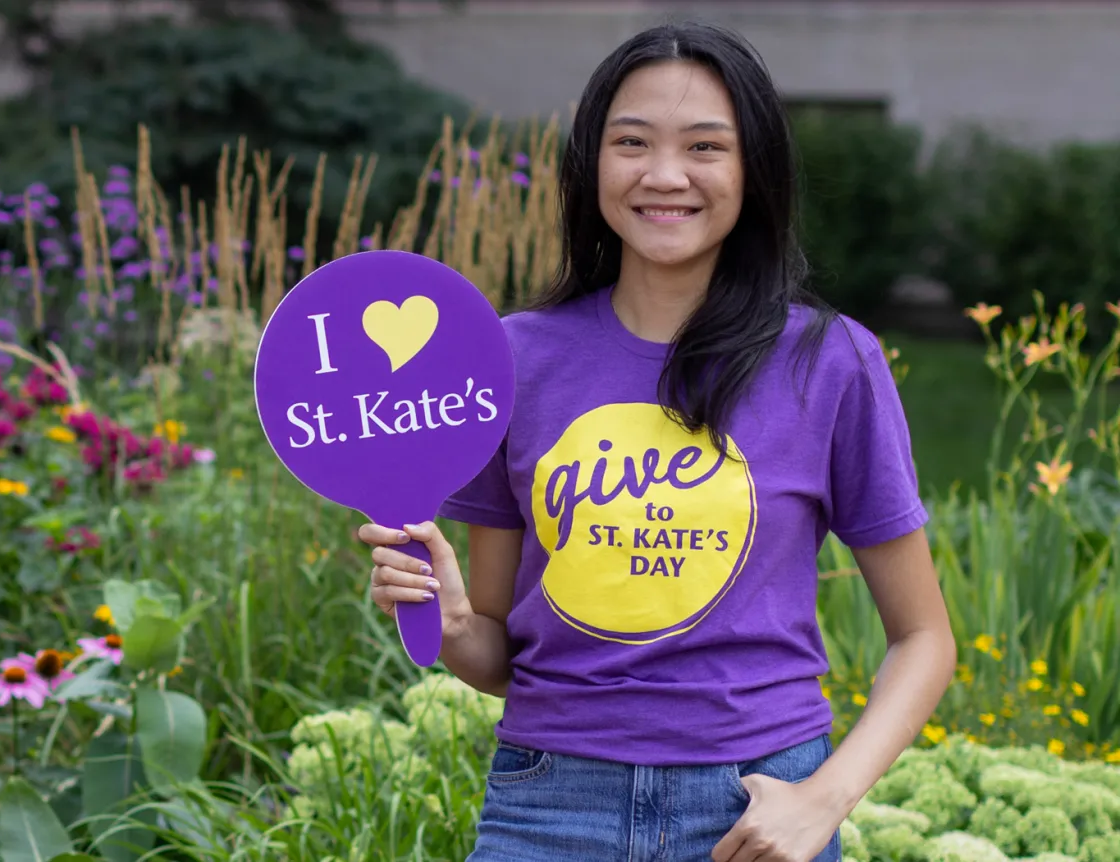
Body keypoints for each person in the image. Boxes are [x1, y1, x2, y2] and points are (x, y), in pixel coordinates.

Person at [358, 19, 957, 862]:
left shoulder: (829, 363)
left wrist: (822, 799)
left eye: (705, 146)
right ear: (590, 164)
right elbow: (497, 654)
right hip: (549, 806)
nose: (664, 175)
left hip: (753, 807)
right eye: (630, 142)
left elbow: (925, 637)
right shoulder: (511, 359)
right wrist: (452, 622)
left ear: (754, 170)